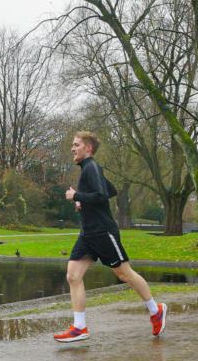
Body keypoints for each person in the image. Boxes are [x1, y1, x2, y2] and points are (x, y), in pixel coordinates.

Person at [54, 131, 167, 343]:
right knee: (73, 276)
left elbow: (102, 195)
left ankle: (156, 310)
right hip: (88, 234)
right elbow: (110, 190)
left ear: (88, 148)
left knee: (125, 274)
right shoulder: (89, 169)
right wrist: (83, 202)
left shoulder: (92, 167)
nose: (72, 148)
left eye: (76, 144)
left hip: (103, 232)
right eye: (73, 144)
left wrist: (76, 195)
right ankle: (79, 327)